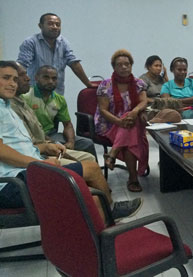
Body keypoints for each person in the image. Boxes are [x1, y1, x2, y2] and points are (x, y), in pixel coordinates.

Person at [0, 60, 141, 220]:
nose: (13, 83)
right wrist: (37, 163)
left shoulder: (6, 106)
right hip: (11, 183)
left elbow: (18, 146)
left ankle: (105, 227)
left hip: (25, 171)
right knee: (92, 170)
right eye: (6, 78)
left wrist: (45, 148)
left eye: (14, 79)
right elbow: (2, 151)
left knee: (92, 198)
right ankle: (110, 214)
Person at [12, 62, 95, 165]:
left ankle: (93, 173)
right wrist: (50, 143)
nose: (50, 81)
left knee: (87, 144)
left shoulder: (59, 99)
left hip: (52, 133)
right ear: (37, 78)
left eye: (54, 78)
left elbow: (67, 124)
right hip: (38, 138)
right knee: (64, 151)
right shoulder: (26, 97)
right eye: (46, 77)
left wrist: (71, 142)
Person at [95, 49, 149, 192]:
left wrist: (135, 111)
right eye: (120, 65)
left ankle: (113, 153)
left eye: (127, 64)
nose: (124, 67)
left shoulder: (139, 83)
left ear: (131, 65)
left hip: (131, 122)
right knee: (130, 128)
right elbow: (103, 110)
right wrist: (120, 122)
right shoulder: (105, 85)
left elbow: (143, 102)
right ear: (114, 67)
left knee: (130, 121)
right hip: (109, 124)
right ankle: (133, 178)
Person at [17, 13, 93, 95]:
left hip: (56, 93)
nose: (55, 27)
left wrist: (88, 83)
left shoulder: (63, 42)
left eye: (58, 24)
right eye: (50, 24)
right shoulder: (30, 42)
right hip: (34, 94)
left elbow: (74, 63)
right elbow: (22, 65)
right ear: (40, 26)